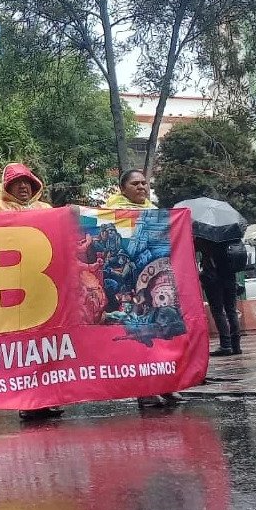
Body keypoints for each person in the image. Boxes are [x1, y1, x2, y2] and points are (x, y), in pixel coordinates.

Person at [0, 162, 60, 421]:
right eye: (17, 183)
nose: (23, 187)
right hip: (11, 290)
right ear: (7, 187)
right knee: (20, 348)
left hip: (41, 289)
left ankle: (48, 397)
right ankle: (27, 401)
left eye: (27, 182)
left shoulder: (46, 209)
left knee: (46, 345)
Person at [102, 170, 182, 407]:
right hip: (130, 287)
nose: (141, 187)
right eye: (135, 183)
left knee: (162, 336)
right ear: (122, 189)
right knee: (139, 339)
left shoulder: (157, 213)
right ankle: (144, 391)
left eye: (144, 183)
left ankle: (167, 385)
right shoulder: (109, 214)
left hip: (155, 282)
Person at [197, 238, 243, 357]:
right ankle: (236, 345)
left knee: (218, 311)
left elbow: (195, 247)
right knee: (231, 310)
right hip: (230, 278)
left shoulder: (207, 239)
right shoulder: (230, 238)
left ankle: (226, 345)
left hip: (213, 279)